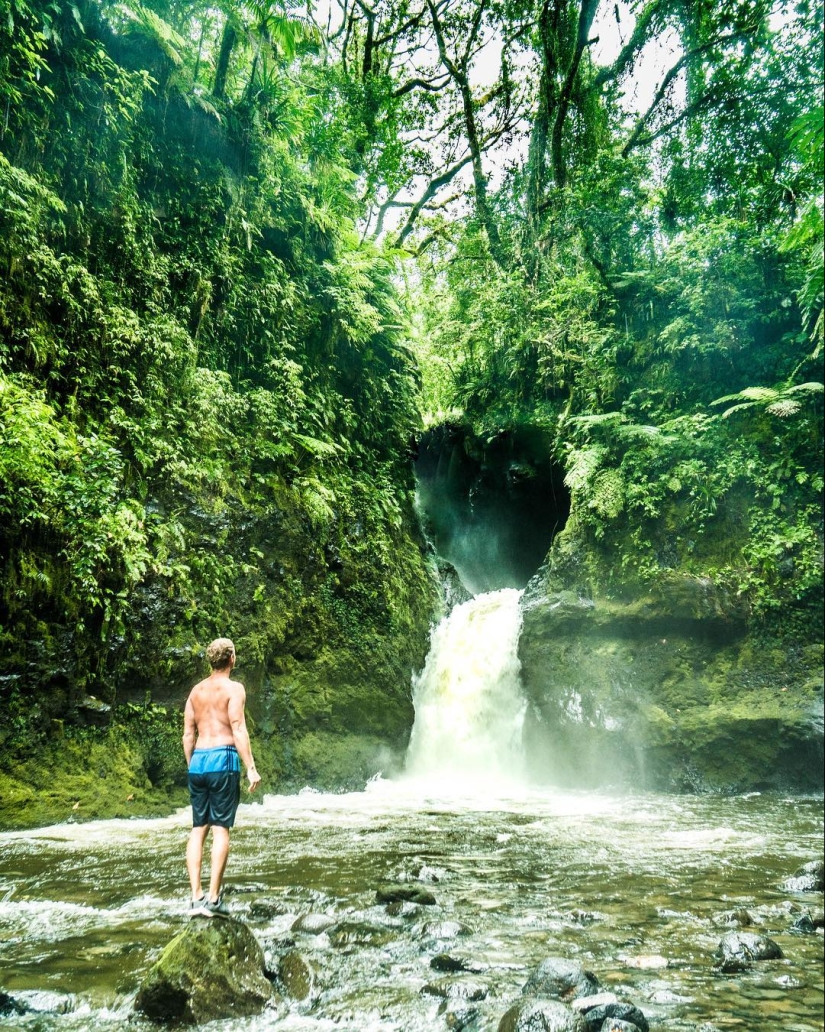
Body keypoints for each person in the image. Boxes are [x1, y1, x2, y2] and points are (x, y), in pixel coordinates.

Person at [183, 637, 261, 917]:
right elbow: (238, 727)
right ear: (231, 659)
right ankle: (214, 900)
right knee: (220, 829)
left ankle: (195, 898)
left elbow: (188, 734)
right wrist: (250, 766)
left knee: (197, 829)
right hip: (223, 758)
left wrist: (192, 765)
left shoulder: (195, 692)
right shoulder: (234, 689)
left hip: (199, 762)